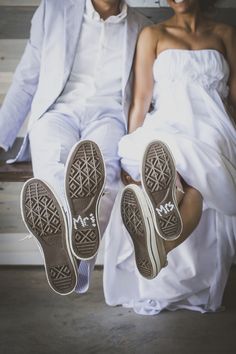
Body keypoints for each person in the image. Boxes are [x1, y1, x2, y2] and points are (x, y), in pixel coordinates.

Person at [0, 0, 150, 295]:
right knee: (51, 165)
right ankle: (76, 260)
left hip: (108, 116)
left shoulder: (141, 26)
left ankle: (73, 255)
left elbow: (144, 95)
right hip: (57, 112)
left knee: (104, 170)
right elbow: (27, 79)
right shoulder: (53, 10)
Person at [103, 0, 236, 315]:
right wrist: (129, 144)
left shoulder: (226, 34)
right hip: (166, 125)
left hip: (212, 128)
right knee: (171, 163)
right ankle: (162, 224)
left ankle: (158, 244)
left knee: (199, 173)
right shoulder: (153, 34)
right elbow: (141, 98)